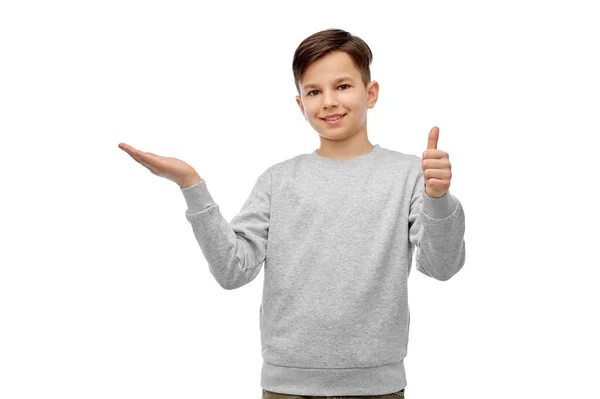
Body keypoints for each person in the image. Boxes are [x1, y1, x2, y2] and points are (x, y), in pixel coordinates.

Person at [118, 28, 466, 399]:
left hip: (377, 387)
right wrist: (190, 183)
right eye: (314, 91)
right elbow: (233, 271)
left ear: (371, 93)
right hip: (287, 387)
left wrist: (438, 199)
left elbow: (441, 266)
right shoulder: (278, 180)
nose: (328, 101)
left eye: (343, 86)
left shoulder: (410, 174)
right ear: (301, 105)